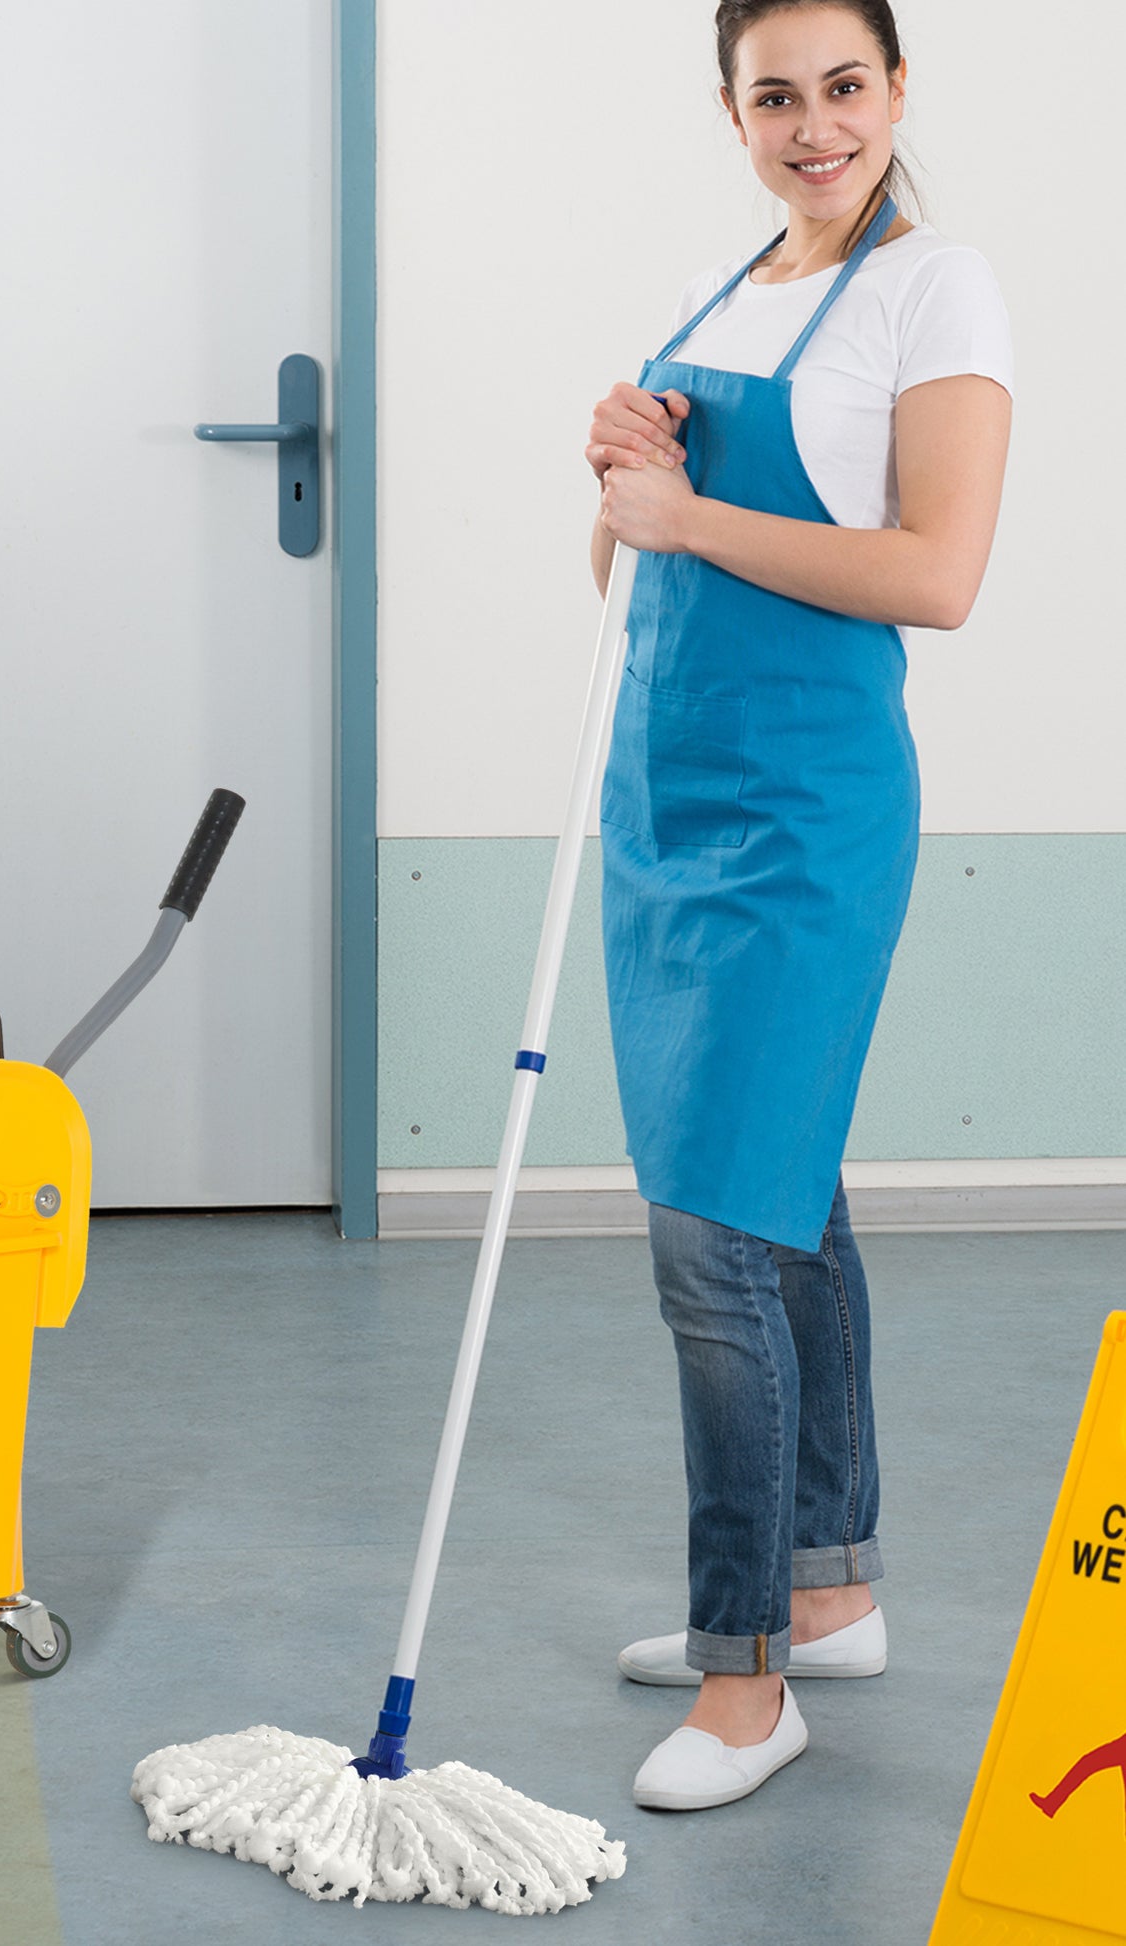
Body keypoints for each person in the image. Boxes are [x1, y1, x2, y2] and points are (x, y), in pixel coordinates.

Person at [585, 0, 1013, 1811]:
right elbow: (622, 553)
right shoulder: (709, 291)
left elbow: (936, 572)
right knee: (784, 1201)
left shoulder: (938, 290)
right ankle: (827, 1583)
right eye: (777, 94)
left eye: (846, 87)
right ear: (731, 110)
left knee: (709, 1239)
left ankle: (746, 1679)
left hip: (807, 820)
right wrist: (613, 472)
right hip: (662, 803)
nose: (813, 123)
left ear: (896, 91)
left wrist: (684, 520)